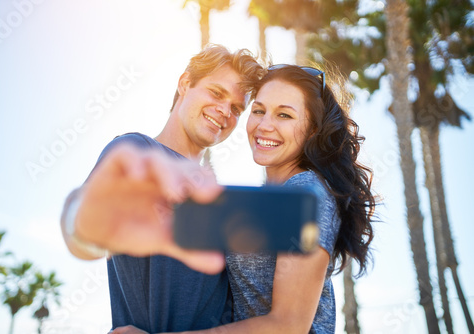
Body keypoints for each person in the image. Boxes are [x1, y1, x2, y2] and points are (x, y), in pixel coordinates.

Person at [112, 63, 376, 334]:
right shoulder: (270, 199)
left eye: (284, 115)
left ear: (312, 130)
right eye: (258, 111)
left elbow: (288, 325)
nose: (264, 125)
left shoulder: (305, 190)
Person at [60, 44, 265, 333]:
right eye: (216, 93)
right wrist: (83, 219)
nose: (224, 112)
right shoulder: (138, 152)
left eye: (235, 108)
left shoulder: (216, 193)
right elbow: (82, 237)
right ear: (184, 84)